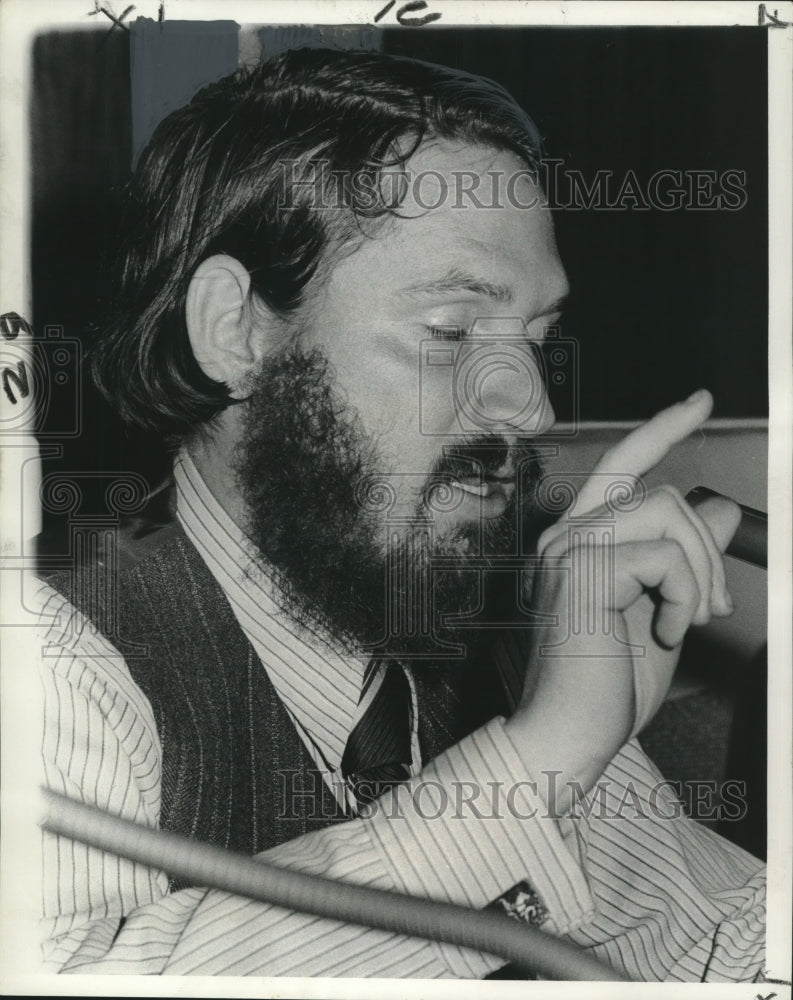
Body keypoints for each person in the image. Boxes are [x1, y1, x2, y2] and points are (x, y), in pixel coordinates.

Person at [34, 47, 765, 979]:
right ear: (237, 330)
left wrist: (564, 760)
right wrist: (540, 754)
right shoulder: (55, 663)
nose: (529, 406)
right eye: (452, 333)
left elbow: (727, 939)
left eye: (537, 339)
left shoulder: (452, 629)